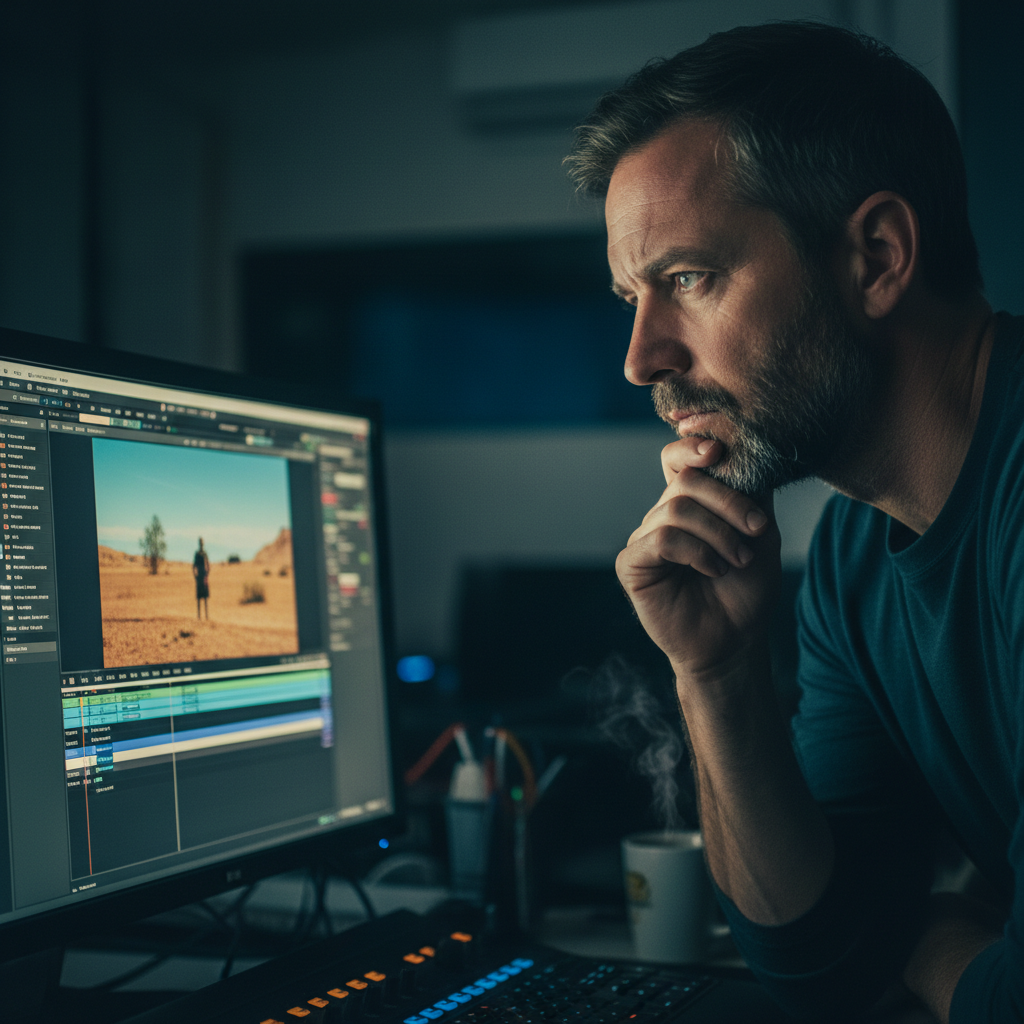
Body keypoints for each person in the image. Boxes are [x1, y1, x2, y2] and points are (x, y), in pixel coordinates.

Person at [565, 21, 1019, 1024]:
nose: (640, 360)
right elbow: (819, 962)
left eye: (687, 278)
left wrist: (935, 942)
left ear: (876, 257)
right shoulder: (858, 548)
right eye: (631, 297)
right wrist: (717, 671)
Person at [193, 537, 210, 620]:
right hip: (199, 576)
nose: (201, 544)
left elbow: (208, 565)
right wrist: (195, 576)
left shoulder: (204, 554)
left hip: (204, 576)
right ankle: (199, 615)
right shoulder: (197, 554)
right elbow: (194, 566)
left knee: (205, 597)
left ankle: (206, 615)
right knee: (199, 597)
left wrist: (207, 574)